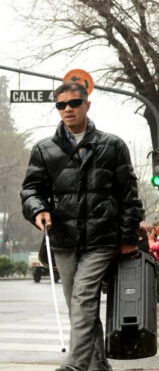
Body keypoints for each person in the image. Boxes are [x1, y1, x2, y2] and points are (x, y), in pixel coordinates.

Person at [21, 82, 144, 371]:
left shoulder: (112, 145)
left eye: (73, 103)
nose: (67, 109)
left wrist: (128, 238)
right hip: (63, 238)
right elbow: (30, 190)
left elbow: (129, 195)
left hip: (102, 238)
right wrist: (38, 210)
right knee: (78, 306)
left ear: (87, 105)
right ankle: (98, 365)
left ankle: (74, 365)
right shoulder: (44, 149)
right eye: (60, 105)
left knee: (83, 296)